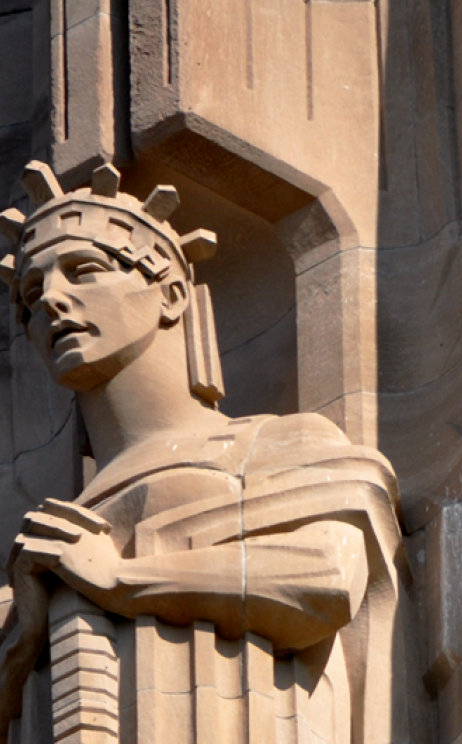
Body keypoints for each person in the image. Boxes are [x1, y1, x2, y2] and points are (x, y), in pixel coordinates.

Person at [0, 161, 409, 743]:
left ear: (169, 294)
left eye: (83, 270)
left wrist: (118, 578)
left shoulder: (277, 443)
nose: (52, 302)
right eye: (32, 293)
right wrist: (23, 637)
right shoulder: (46, 542)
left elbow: (324, 579)